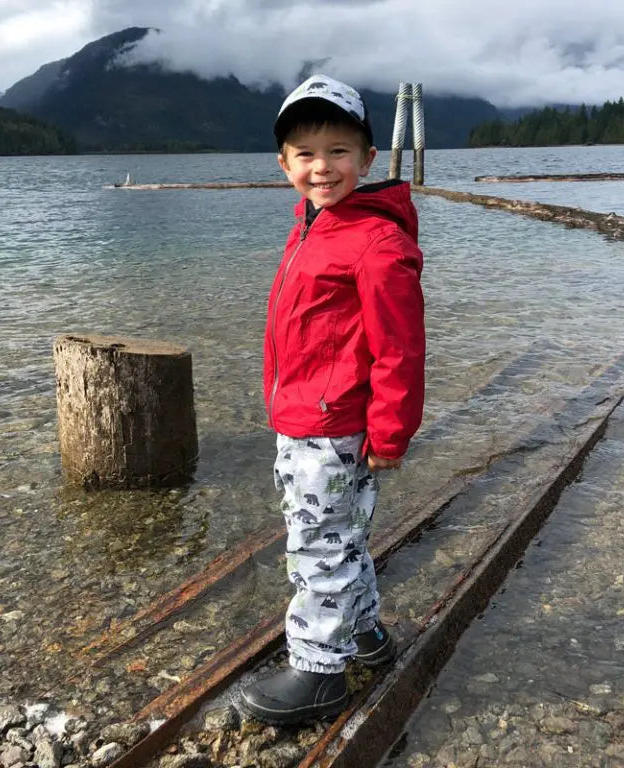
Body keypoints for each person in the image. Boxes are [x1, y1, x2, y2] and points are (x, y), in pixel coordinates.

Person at [240, 74, 426, 725]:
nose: (323, 166)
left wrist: (390, 433)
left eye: (339, 150)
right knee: (338, 538)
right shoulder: (314, 226)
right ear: (285, 163)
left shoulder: (374, 243)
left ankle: (320, 671)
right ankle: (366, 639)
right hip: (305, 418)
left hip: (336, 427)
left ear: (369, 159)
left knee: (317, 544)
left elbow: (400, 348)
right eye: (306, 153)